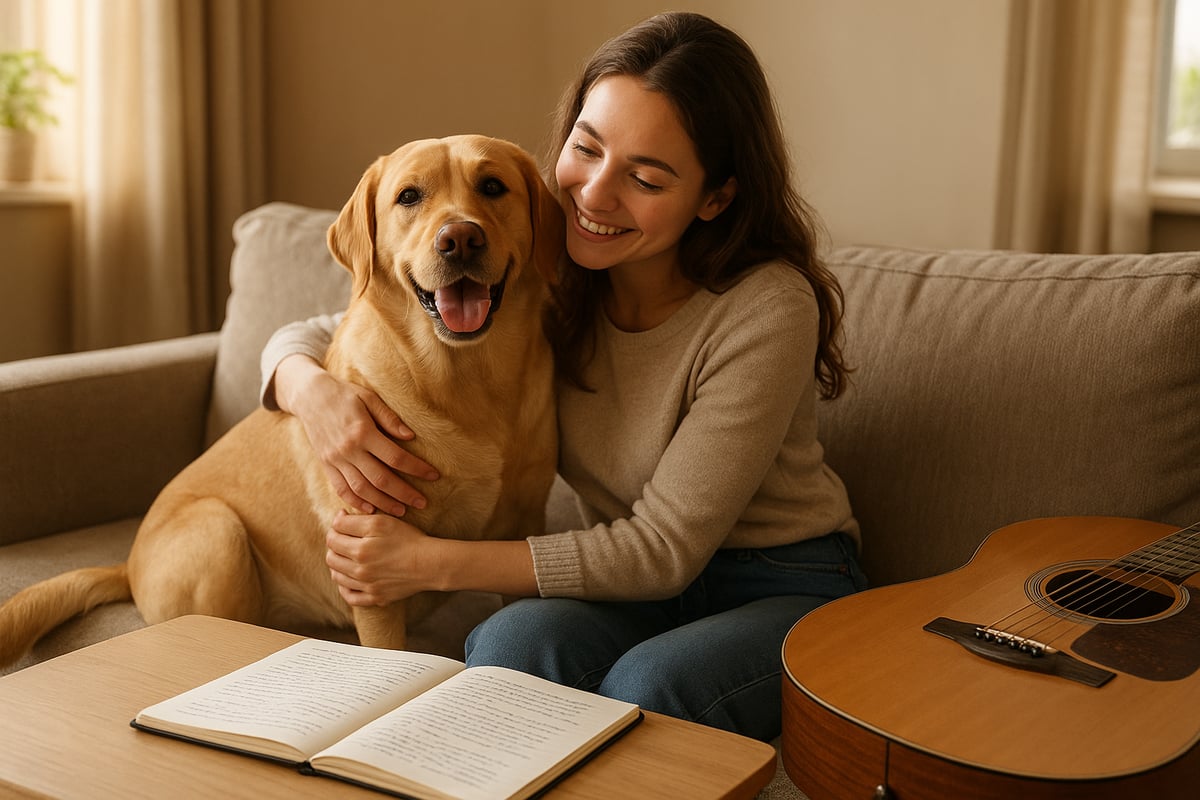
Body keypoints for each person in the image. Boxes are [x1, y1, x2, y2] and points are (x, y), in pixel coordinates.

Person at [261, 11, 866, 742]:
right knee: (506, 649)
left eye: (644, 177)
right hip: (635, 591)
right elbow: (333, 331)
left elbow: (662, 552)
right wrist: (308, 390)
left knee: (649, 689)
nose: (595, 196)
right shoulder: (550, 272)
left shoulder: (765, 308)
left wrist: (425, 563)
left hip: (781, 581)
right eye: (587, 149)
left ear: (716, 197)